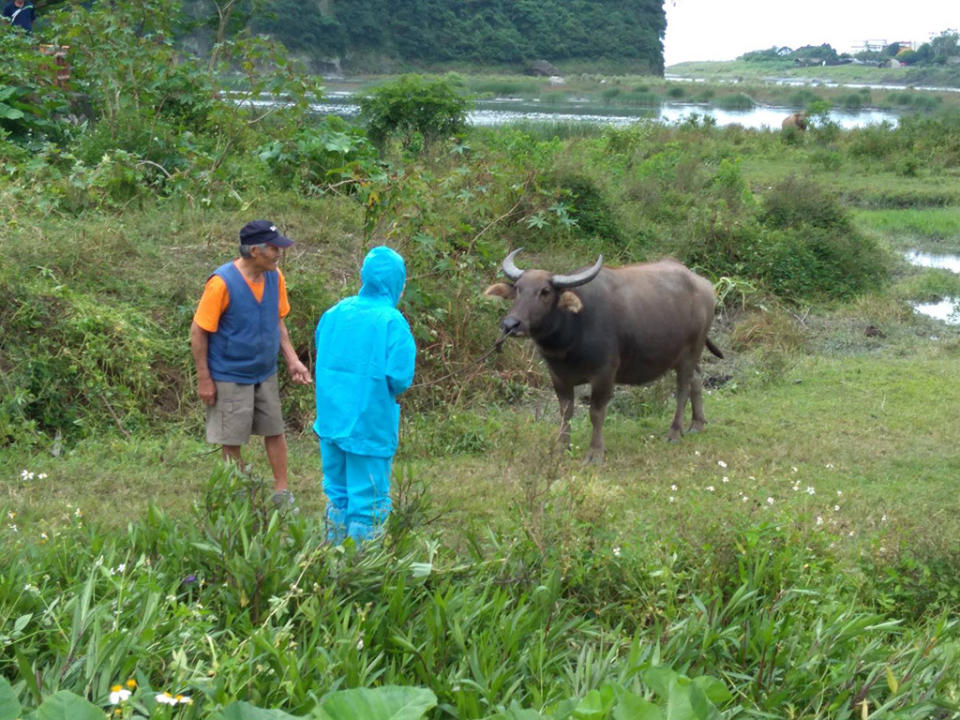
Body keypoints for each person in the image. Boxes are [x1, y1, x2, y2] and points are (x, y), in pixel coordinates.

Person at [190, 220, 312, 508]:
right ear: (255, 251)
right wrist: (204, 379)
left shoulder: (274, 277)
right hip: (229, 374)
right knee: (231, 439)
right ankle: (239, 493)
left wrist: (293, 360)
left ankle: (282, 493)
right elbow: (198, 332)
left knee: (275, 431)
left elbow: (277, 321)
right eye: (273, 248)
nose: (279, 253)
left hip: (264, 371)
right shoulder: (221, 283)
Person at [313, 246, 416, 544]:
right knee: (368, 503)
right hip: (368, 427)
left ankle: (329, 560)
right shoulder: (391, 322)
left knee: (337, 494)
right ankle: (361, 572)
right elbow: (399, 378)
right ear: (398, 281)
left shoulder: (334, 313)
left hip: (331, 421)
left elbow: (324, 352)